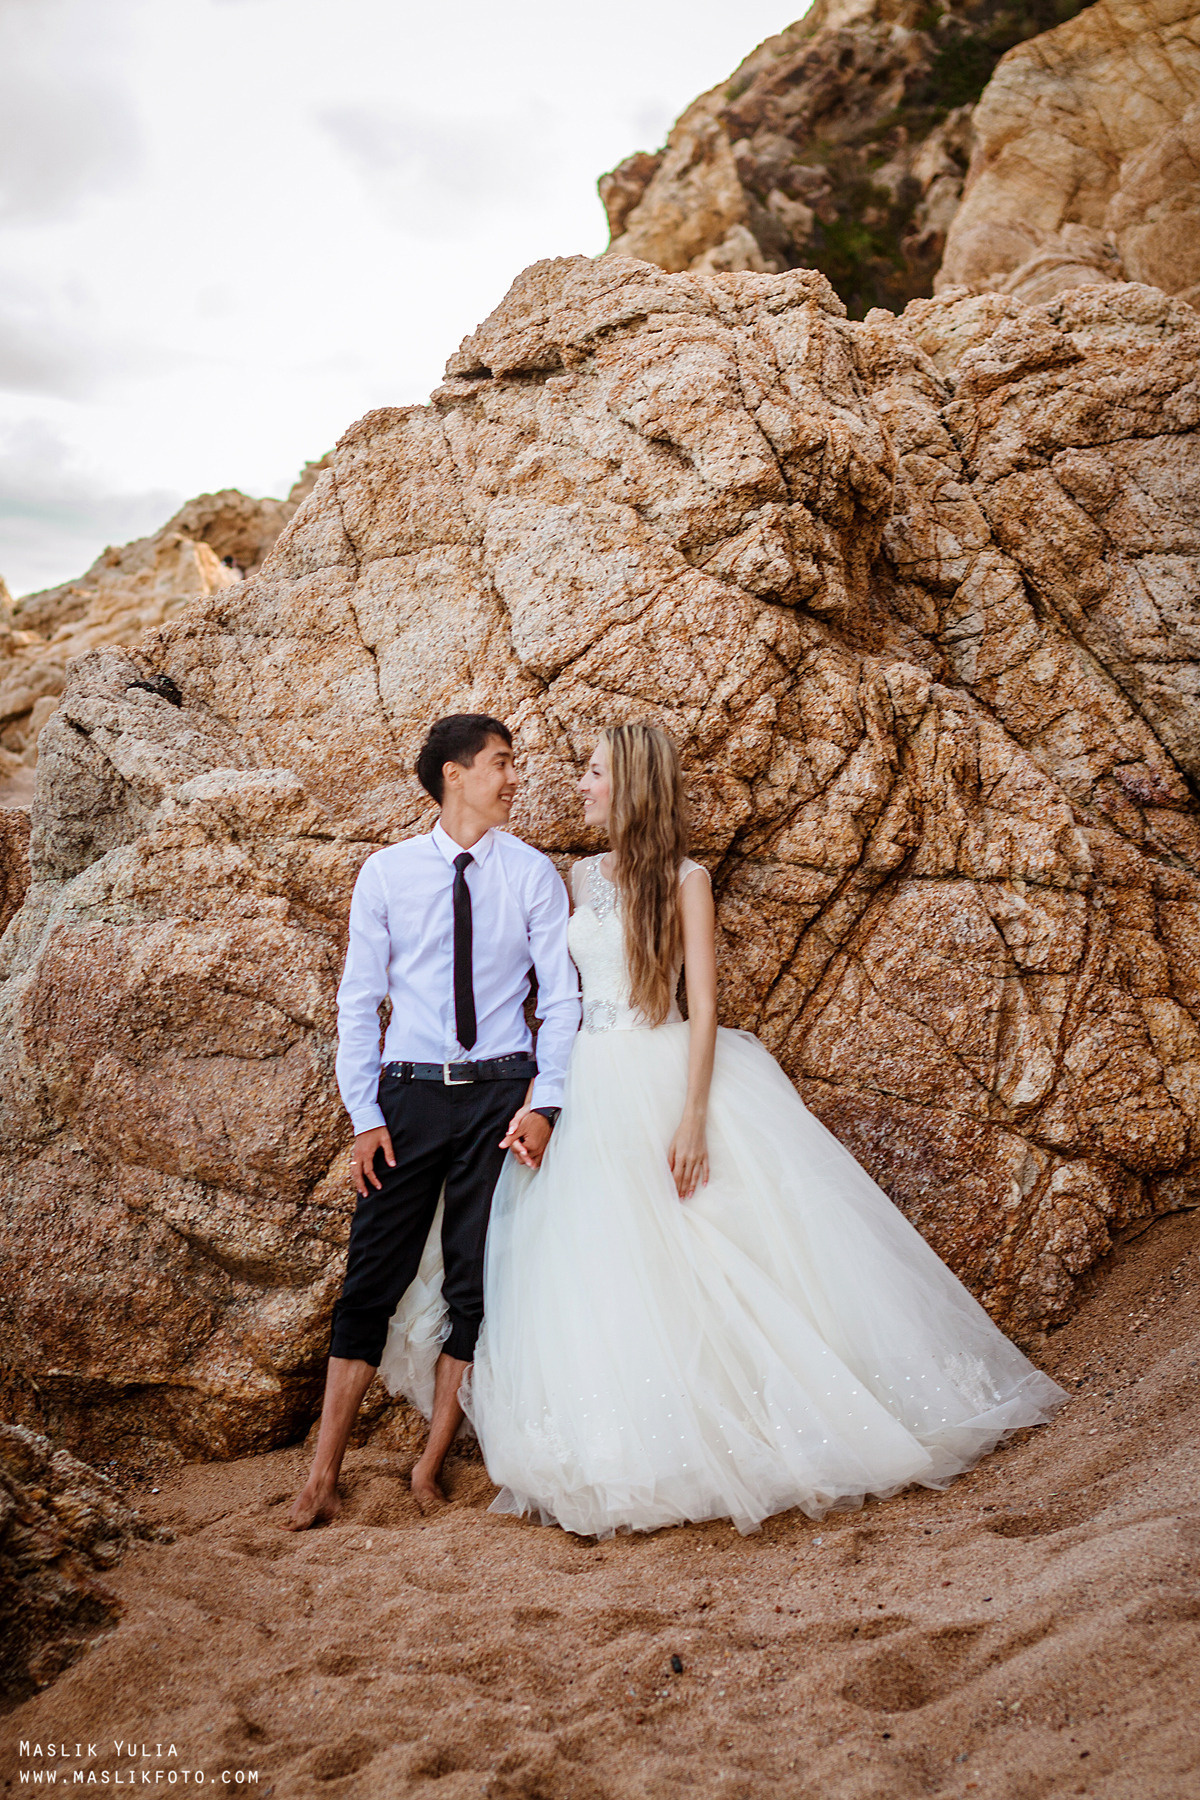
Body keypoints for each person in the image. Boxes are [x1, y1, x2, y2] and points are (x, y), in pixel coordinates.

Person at [465, 722, 1066, 1537]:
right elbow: (563, 1002)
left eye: (595, 772)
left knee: (706, 1243)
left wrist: (692, 1119)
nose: (582, 785)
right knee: (604, 1253)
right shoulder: (576, 877)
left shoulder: (686, 880)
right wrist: (543, 1094)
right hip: (592, 1078)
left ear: (631, 784)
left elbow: (705, 1007)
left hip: (661, 1069)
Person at [286, 714, 579, 1529]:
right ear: (455, 773)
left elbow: (560, 1001)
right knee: (369, 1279)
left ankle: (428, 1466)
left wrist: (545, 1103)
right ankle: (321, 1475)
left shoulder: (531, 874)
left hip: (501, 1098)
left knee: (475, 1285)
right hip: (408, 1098)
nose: (514, 778)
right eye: (501, 763)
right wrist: (364, 1115)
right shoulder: (386, 874)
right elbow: (358, 1002)